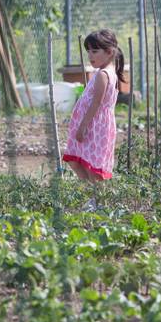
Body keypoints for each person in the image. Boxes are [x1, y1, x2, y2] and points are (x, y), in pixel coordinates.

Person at [62, 29, 124, 210]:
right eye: (88, 51)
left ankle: (98, 201)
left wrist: (83, 127)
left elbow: (96, 104)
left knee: (91, 165)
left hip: (94, 126)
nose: (90, 55)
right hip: (94, 124)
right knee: (76, 160)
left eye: (95, 51)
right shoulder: (103, 72)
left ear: (109, 52)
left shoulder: (103, 75)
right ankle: (93, 198)